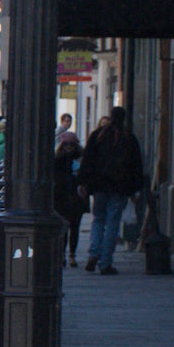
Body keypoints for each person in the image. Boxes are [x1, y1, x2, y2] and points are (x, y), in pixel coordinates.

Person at [78, 104, 145, 275]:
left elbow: (87, 160)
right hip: (119, 187)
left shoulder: (98, 136)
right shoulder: (129, 138)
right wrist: (135, 189)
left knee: (98, 220)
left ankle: (94, 253)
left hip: (99, 185)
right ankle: (105, 261)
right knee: (112, 223)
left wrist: (83, 182)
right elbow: (136, 165)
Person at [53, 112, 85, 266]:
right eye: (66, 145)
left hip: (76, 196)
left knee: (75, 227)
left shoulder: (80, 159)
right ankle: (63, 254)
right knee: (64, 226)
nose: (69, 147)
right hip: (62, 197)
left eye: (71, 145)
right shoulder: (57, 160)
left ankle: (72, 254)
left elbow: (85, 177)